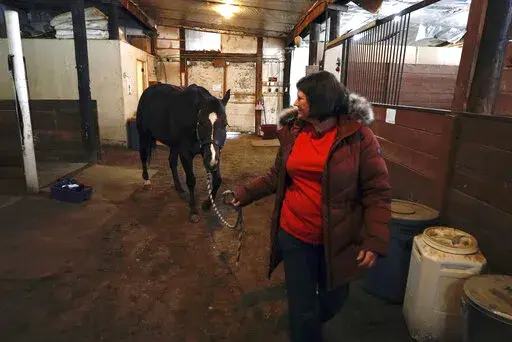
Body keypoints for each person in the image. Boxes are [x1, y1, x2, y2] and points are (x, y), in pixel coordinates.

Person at [233, 71, 392, 342]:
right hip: (295, 235)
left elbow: (377, 192)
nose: (296, 102)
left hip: (339, 238)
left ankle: (309, 324)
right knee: (302, 307)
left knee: (334, 299)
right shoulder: (293, 132)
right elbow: (276, 175)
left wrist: (375, 239)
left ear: (320, 102)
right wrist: (245, 193)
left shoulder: (359, 138)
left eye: (302, 97)